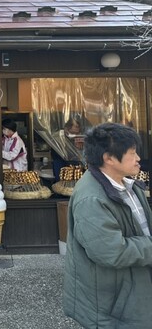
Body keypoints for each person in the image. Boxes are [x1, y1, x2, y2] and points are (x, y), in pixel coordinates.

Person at [63, 123, 152, 328]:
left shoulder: (129, 186)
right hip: (111, 302)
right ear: (109, 158)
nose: (138, 158)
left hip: (133, 289)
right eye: (132, 153)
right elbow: (111, 252)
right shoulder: (91, 198)